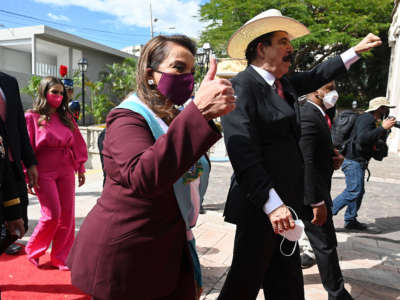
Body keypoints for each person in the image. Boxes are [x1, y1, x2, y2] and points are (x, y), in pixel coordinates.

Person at [218, 8, 382, 300]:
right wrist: (272, 204)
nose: (290, 48)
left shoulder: (285, 85)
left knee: (287, 282)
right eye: (282, 41)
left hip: (288, 206)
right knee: (244, 281)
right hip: (261, 208)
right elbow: (242, 152)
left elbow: (320, 73)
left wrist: (354, 51)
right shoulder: (242, 86)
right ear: (261, 47)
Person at [67, 34, 235, 300]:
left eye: (191, 72)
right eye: (178, 68)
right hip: (127, 255)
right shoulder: (127, 117)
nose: (187, 78)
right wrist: (198, 112)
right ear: (149, 74)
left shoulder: (173, 117)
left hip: (166, 247)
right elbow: (144, 176)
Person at [24, 76, 88, 270]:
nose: (59, 96)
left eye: (61, 93)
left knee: (67, 216)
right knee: (52, 215)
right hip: (43, 169)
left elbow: (77, 142)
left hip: (67, 167)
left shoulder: (67, 117)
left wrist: (81, 167)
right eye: (54, 92)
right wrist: (27, 173)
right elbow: (26, 147)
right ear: (44, 92)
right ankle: (34, 249)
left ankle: (61, 257)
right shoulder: (31, 117)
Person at [298, 81, 353, 299]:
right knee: (325, 244)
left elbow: (318, 150)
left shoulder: (319, 113)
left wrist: (334, 156)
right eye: (329, 88)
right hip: (311, 194)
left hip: (316, 188)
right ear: (315, 90)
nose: (333, 93)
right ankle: (337, 294)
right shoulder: (308, 115)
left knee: (322, 243)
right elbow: (307, 161)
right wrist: (316, 202)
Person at [332, 97, 396, 230]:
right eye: (386, 108)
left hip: (358, 161)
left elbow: (370, 139)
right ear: (380, 108)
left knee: (358, 192)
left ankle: (350, 220)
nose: (388, 111)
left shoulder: (371, 120)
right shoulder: (367, 119)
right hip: (353, 160)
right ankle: (326, 215)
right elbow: (362, 139)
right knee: (354, 191)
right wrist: (382, 128)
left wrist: (383, 130)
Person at [0, 71, 38, 255]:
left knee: (19, 220)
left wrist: (30, 162)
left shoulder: (9, 82)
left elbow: (20, 126)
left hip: (12, 165)